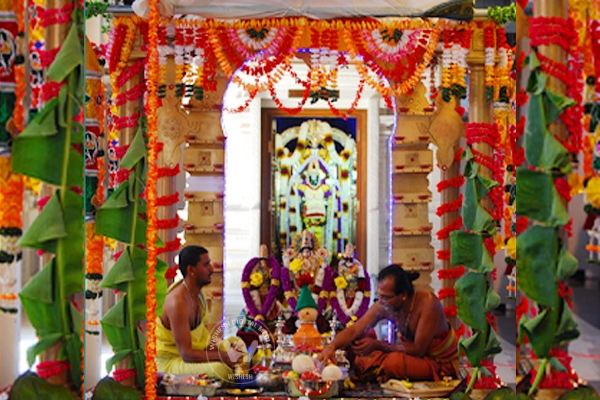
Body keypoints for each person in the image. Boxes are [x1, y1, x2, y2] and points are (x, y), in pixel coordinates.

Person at [317, 264, 459, 382]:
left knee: (393, 363)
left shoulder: (427, 303)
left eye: (386, 297)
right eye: (379, 296)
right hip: (409, 355)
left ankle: (387, 372)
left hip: (437, 362)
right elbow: (355, 330)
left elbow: (418, 349)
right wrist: (331, 346)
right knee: (360, 356)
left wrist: (377, 345)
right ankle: (387, 372)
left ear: (403, 295)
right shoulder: (384, 304)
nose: (381, 301)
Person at [156, 246, 247, 380]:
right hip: (172, 362)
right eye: (206, 264)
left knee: (238, 344)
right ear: (191, 270)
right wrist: (224, 356)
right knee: (220, 370)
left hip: (194, 355)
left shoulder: (199, 294)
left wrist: (227, 351)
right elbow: (186, 354)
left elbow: (202, 342)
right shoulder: (177, 302)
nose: (211, 268)